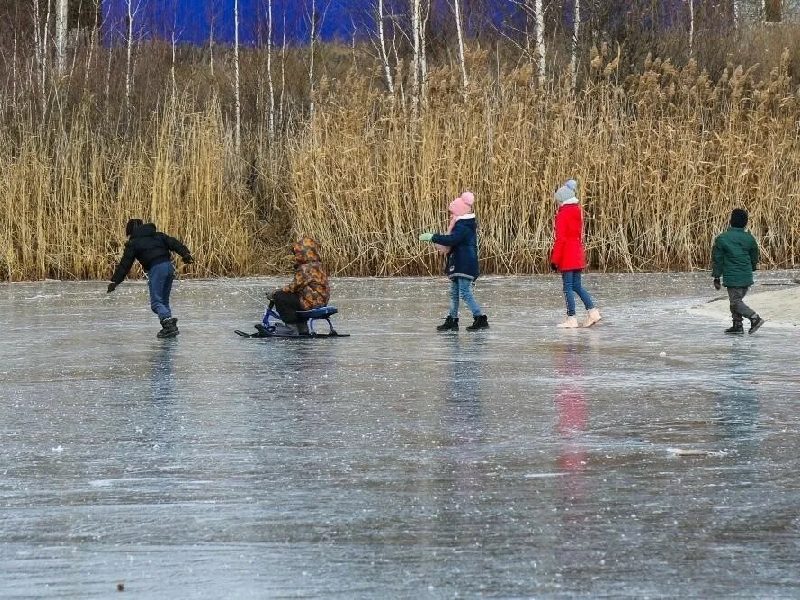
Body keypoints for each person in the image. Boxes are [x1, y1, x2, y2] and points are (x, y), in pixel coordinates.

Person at [107, 219, 194, 338]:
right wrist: (186, 254)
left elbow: (125, 264)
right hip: (168, 267)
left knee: (156, 303)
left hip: (156, 269)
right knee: (163, 301)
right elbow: (174, 243)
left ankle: (168, 324)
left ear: (130, 230)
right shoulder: (158, 236)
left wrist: (115, 281)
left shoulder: (133, 243)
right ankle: (168, 327)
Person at [419, 191, 489, 332]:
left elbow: (452, 240)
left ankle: (480, 318)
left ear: (461, 212)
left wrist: (433, 237)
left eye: (453, 213)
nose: (451, 215)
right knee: (454, 293)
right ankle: (452, 320)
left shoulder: (464, 226)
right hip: (459, 263)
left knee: (464, 292)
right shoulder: (462, 224)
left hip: (465, 264)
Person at [551, 179, 602, 328]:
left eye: (558, 201)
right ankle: (593, 312)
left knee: (567, 287)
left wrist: (555, 260)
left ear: (563, 200)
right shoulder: (578, 212)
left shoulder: (562, 214)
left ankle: (571, 318)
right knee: (577, 285)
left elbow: (561, 239)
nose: (557, 204)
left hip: (567, 254)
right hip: (577, 252)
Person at [712, 208, 764, 335]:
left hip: (733, 277)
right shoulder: (749, 238)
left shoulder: (722, 239)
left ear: (731, 221)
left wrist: (717, 277)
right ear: (745, 223)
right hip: (746, 276)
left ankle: (754, 318)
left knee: (735, 302)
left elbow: (717, 259)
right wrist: (751, 268)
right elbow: (754, 257)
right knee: (735, 301)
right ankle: (737, 325)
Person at [268, 237, 330, 335]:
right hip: (320, 302)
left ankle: (290, 328)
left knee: (280, 296)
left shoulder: (306, 268)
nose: (296, 256)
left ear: (303, 253)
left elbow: (293, 287)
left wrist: (275, 292)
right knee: (296, 297)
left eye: (297, 254)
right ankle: (302, 327)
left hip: (310, 303)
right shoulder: (317, 265)